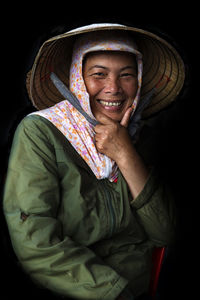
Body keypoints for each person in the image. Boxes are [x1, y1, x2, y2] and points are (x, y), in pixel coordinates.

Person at [3, 23, 185, 299]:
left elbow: (165, 233)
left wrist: (125, 153)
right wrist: (115, 293)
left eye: (126, 75)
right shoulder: (41, 132)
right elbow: (35, 241)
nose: (113, 89)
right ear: (77, 78)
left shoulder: (140, 137)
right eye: (98, 74)